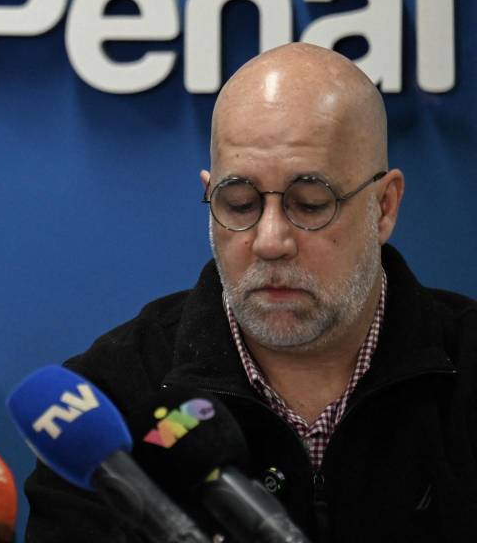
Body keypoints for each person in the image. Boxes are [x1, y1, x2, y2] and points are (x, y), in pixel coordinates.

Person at [25, 43, 477, 542]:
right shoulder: (106, 406)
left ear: (384, 208)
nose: (270, 241)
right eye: (239, 204)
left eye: (310, 204)